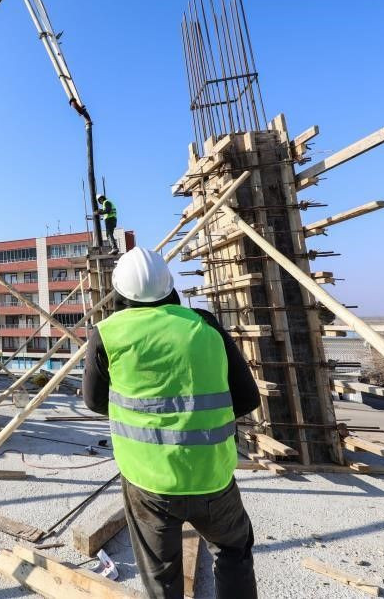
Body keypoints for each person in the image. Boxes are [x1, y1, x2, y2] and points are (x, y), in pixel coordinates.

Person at [83, 247, 260, 599]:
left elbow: (94, 401)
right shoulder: (206, 326)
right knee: (233, 553)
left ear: (118, 291)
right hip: (212, 474)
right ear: (170, 287)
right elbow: (247, 399)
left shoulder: (106, 334)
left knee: (161, 577)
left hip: (149, 481)